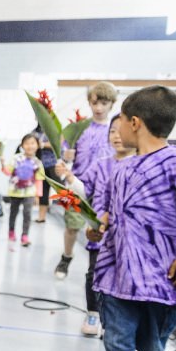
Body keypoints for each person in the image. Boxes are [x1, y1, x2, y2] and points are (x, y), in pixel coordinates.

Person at [88, 86, 176, 351]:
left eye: (119, 119)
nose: (116, 127)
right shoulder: (121, 168)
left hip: (161, 273)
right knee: (117, 331)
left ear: (134, 122)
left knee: (155, 334)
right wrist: (98, 227)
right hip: (120, 270)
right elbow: (110, 212)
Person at [61, 114, 135, 336]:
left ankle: (112, 320)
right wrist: (69, 179)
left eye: (121, 131)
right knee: (94, 274)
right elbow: (86, 191)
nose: (116, 136)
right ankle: (92, 313)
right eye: (112, 131)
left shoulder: (138, 166)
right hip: (99, 235)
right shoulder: (101, 165)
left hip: (126, 239)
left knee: (120, 276)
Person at [54, 82, 116, 279]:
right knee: (72, 226)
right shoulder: (79, 128)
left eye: (104, 103)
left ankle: (97, 271)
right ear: (89, 103)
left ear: (111, 104)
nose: (99, 108)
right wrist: (66, 157)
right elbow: (62, 156)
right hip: (76, 184)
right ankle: (66, 257)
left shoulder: (115, 131)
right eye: (95, 103)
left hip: (103, 189)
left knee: (99, 231)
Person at [2, 133, 41, 247]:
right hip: (15, 191)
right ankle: (11, 231)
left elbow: (39, 180)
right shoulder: (16, 158)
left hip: (29, 192)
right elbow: (8, 172)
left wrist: (37, 196)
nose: (30, 146)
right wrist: (3, 164)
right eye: (27, 143)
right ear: (22, 145)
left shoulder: (37, 162)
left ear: (37, 145)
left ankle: (25, 236)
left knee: (27, 214)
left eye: (33, 143)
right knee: (13, 212)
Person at [34, 124, 58, 223]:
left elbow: (58, 144)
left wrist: (43, 145)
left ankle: (70, 213)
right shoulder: (34, 132)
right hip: (41, 165)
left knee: (61, 189)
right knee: (43, 192)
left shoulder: (53, 130)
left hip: (53, 164)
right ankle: (41, 217)